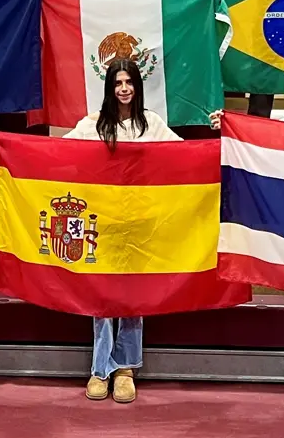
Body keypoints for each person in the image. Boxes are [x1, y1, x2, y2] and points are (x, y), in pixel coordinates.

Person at [62, 59, 219, 402]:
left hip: (140, 224)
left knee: (134, 295)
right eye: (117, 82)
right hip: (100, 223)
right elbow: (57, 154)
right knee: (100, 297)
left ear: (137, 85)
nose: (123, 88)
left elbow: (187, 156)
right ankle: (99, 368)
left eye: (129, 82)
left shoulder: (153, 124)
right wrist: (3, 143)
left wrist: (223, 134)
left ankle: (126, 368)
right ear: (109, 87)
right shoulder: (91, 126)